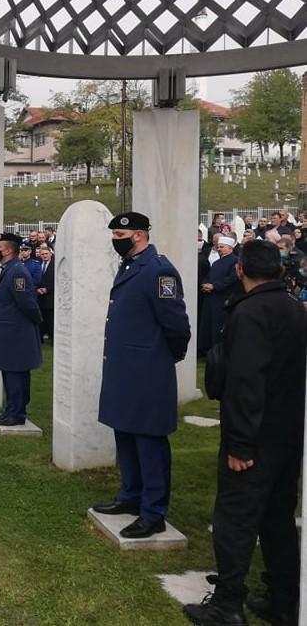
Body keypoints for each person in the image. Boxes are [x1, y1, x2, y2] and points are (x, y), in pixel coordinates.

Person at [184, 240, 306, 626]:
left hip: (255, 437)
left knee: (235, 519)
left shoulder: (250, 312)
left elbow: (245, 382)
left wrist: (239, 443)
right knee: (277, 518)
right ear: (280, 271)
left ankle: (227, 603)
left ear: (240, 270)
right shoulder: (294, 309)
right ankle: (284, 599)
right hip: (289, 435)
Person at [93, 212, 191, 539]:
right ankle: (130, 495)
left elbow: (176, 324)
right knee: (126, 434)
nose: (115, 241)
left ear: (138, 235)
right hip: (126, 370)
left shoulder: (158, 270)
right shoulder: (132, 266)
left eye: (119, 235)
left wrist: (167, 356)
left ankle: (153, 512)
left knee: (149, 442)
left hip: (148, 370)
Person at [0, 232, 42, 426]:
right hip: (8, 334)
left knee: (16, 374)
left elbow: (26, 302)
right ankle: (10, 409)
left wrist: (37, 320)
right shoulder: (8, 269)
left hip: (16, 334)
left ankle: (17, 413)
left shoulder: (17, 271)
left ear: (9, 250)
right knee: (9, 373)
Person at [197, 236, 240, 354]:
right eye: (218, 247)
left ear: (230, 248)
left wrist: (215, 286)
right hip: (211, 297)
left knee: (218, 325)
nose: (219, 249)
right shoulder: (216, 263)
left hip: (223, 298)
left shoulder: (235, 261)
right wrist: (205, 284)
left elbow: (232, 278)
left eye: (222, 247)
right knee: (209, 324)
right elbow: (208, 275)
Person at [36, 245, 55, 343]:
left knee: (51, 320)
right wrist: (37, 289)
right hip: (39, 297)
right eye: (42, 254)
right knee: (41, 319)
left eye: (46, 254)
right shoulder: (38, 264)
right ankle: (41, 339)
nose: (44, 256)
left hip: (51, 296)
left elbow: (57, 281)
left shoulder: (55, 265)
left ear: (50, 254)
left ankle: (53, 339)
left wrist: (47, 289)